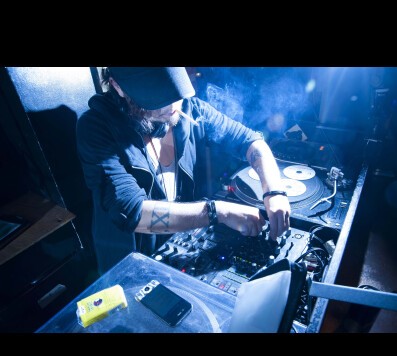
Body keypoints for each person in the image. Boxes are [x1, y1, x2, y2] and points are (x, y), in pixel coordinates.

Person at [76, 67, 291, 275]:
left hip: (178, 250)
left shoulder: (189, 109)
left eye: (175, 94)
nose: (172, 106)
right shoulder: (95, 127)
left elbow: (250, 141)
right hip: (129, 265)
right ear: (118, 87)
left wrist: (274, 191)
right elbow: (132, 211)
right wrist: (218, 212)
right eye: (158, 98)